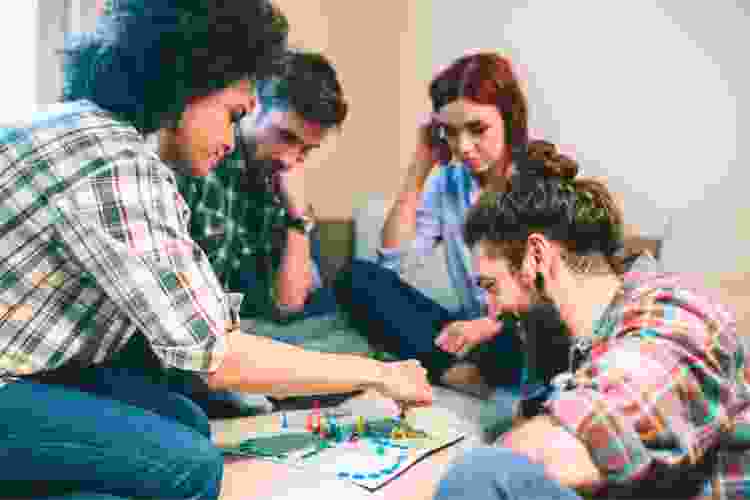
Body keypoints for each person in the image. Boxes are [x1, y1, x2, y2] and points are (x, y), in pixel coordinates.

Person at [0, 2, 431, 499]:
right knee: (193, 467)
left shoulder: (94, 130)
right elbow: (214, 353)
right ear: (185, 85)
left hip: (38, 367)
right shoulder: (117, 164)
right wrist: (380, 373)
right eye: (232, 116)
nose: (231, 138)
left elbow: (259, 309)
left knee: (185, 422)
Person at [432, 140, 750, 499]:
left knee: (481, 474)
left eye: (492, 286)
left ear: (536, 256)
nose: (493, 311)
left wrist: (434, 481)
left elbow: (584, 440)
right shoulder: (569, 340)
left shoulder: (676, 313)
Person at [334, 52, 528, 393]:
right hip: (470, 332)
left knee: (519, 338)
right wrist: (418, 170)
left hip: (519, 333)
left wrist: (489, 326)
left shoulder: (538, 182)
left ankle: (452, 368)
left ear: (509, 119)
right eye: (450, 133)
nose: (463, 147)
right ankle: (455, 372)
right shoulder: (449, 181)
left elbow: (550, 302)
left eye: (477, 129)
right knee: (358, 278)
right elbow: (392, 263)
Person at [168, 49, 348, 415]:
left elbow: (288, 305)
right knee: (262, 389)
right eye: (284, 135)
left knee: (346, 333)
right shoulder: (203, 156)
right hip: (193, 336)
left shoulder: (277, 179)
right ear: (253, 105)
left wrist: (298, 216)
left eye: (305, 151)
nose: (288, 158)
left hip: (244, 326)